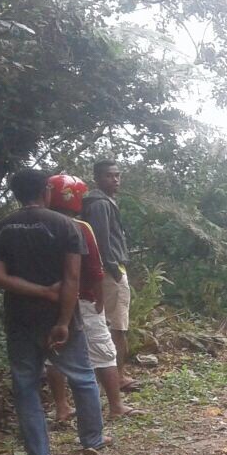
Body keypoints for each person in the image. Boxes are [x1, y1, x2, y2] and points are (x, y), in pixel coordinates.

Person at [0, 168, 112, 455]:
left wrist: (40, 291)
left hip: (20, 319)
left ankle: (37, 452)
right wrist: (63, 321)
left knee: (25, 383)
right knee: (82, 376)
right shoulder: (66, 226)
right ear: (46, 191)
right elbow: (72, 277)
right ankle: (92, 439)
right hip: (61, 316)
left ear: (17, 194)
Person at [43, 174, 140, 422]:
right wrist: (98, 297)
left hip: (49, 300)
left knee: (54, 353)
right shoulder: (80, 227)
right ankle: (115, 406)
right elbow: (94, 268)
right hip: (83, 298)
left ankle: (62, 407)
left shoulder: (41, 226)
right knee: (103, 350)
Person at [82, 159, 139, 392]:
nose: (115, 180)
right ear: (97, 178)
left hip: (108, 270)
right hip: (109, 272)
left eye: (117, 175)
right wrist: (114, 270)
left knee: (110, 324)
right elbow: (101, 241)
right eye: (109, 176)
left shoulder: (103, 202)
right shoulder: (100, 205)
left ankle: (113, 376)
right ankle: (118, 377)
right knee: (117, 325)